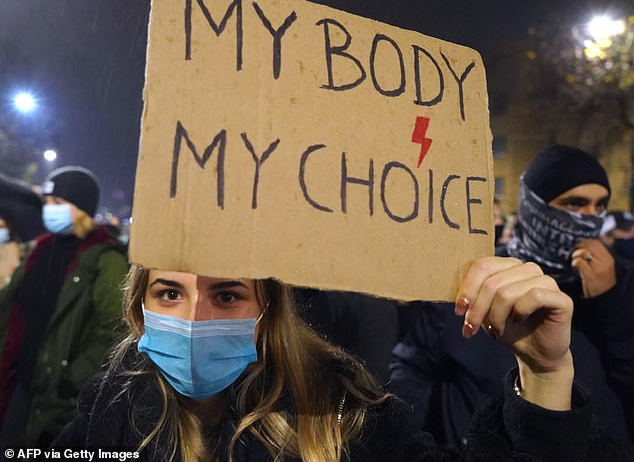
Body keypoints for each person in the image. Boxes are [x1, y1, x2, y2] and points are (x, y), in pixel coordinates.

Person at [50, 257, 631, 461]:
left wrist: (547, 374)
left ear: (266, 311)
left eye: (227, 294)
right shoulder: (117, 402)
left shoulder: (347, 419)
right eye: (169, 294)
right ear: (140, 307)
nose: (195, 316)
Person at [389, 145, 634, 450]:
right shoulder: (481, 276)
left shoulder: (620, 280)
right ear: (533, 206)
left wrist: (611, 303)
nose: (590, 218)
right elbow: (414, 368)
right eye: (575, 204)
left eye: (600, 206)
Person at [0, 166, 129, 448]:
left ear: (82, 208)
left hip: (55, 397)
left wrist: (72, 380)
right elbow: (10, 307)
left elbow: (118, 327)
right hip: (19, 381)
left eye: (58, 203)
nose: (50, 209)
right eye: (48, 202)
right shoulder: (39, 249)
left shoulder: (105, 259)